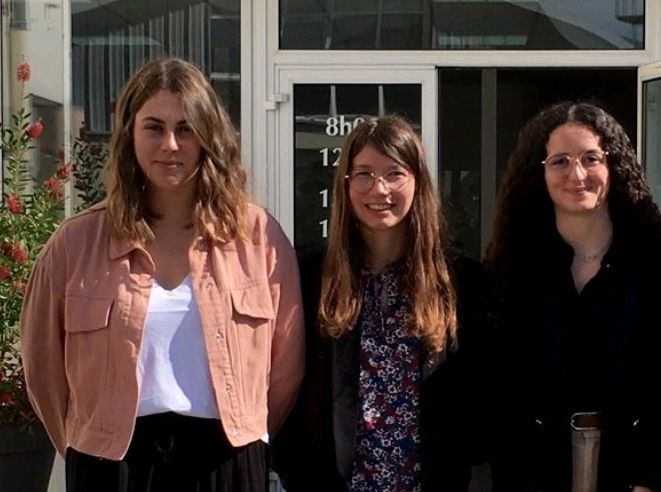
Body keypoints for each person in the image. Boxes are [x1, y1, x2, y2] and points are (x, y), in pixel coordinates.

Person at [20, 58, 304, 492]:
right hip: (111, 465)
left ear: (209, 138)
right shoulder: (75, 243)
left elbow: (286, 368)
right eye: (154, 127)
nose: (170, 144)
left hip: (226, 462)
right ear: (129, 134)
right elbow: (42, 368)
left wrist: (248, 437)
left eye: (186, 129)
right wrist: (85, 446)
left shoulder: (260, 238)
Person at [272, 114, 490, 491]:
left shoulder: (462, 280)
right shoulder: (309, 276)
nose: (379, 189)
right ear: (345, 184)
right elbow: (285, 381)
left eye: (394, 174)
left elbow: (482, 393)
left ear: (417, 182)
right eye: (364, 174)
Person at [484, 101, 661, 491]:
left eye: (591, 158)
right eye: (560, 161)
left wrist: (652, 479)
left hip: (632, 472)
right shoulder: (511, 268)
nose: (577, 174)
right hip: (536, 471)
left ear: (614, 166)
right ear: (539, 173)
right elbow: (502, 389)